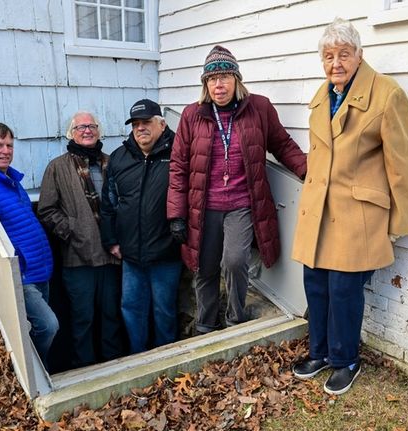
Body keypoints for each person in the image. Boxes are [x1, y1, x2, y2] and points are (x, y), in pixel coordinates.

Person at [290, 18, 408, 395]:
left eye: (344, 54)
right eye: (328, 56)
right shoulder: (322, 95)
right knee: (315, 284)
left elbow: (402, 165)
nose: (336, 63)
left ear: (359, 55)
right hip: (319, 209)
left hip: (356, 212)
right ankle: (320, 352)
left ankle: (345, 359)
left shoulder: (387, 94)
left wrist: (399, 221)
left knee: (344, 289)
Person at [167, 45, 307, 334]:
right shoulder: (192, 115)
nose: (219, 85)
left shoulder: (259, 108)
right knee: (204, 268)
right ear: (205, 84)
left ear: (237, 79)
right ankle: (205, 324)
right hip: (204, 207)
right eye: (212, 79)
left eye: (226, 77)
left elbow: (282, 144)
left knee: (234, 261)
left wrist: (308, 170)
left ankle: (234, 319)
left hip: (243, 203)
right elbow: (178, 166)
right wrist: (176, 215)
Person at [38, 112, 125, 368]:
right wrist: (74, 229)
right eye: (81, 127)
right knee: (81, 319)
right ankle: (83, 368)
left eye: (92, 126)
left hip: (113, 256)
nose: (87, 130)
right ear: (71, 133)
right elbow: (46, 210)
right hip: (78, 258)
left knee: (112, 315)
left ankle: (113, 364)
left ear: (99, 131)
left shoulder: (112, 163)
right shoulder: (58, 167)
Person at [0, 121, 59, 368]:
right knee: (48, 325)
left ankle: (40, 371)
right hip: (22, 273)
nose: (5, 150)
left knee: (40, 326)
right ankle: (32, 372)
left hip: (39, 268)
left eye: (9, 145)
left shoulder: (10, 180)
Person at [100, 99, 181, 354]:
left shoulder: (178, 152)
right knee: (132, 309)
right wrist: (112, 240)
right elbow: (108, 203)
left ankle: (165, 360)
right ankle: (138, 358)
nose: (140, 128)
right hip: (131, 255)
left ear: (162, 123)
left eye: (146, 122)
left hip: (166, 252)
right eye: (135, 124)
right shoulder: (119, 158)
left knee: (164, 310)